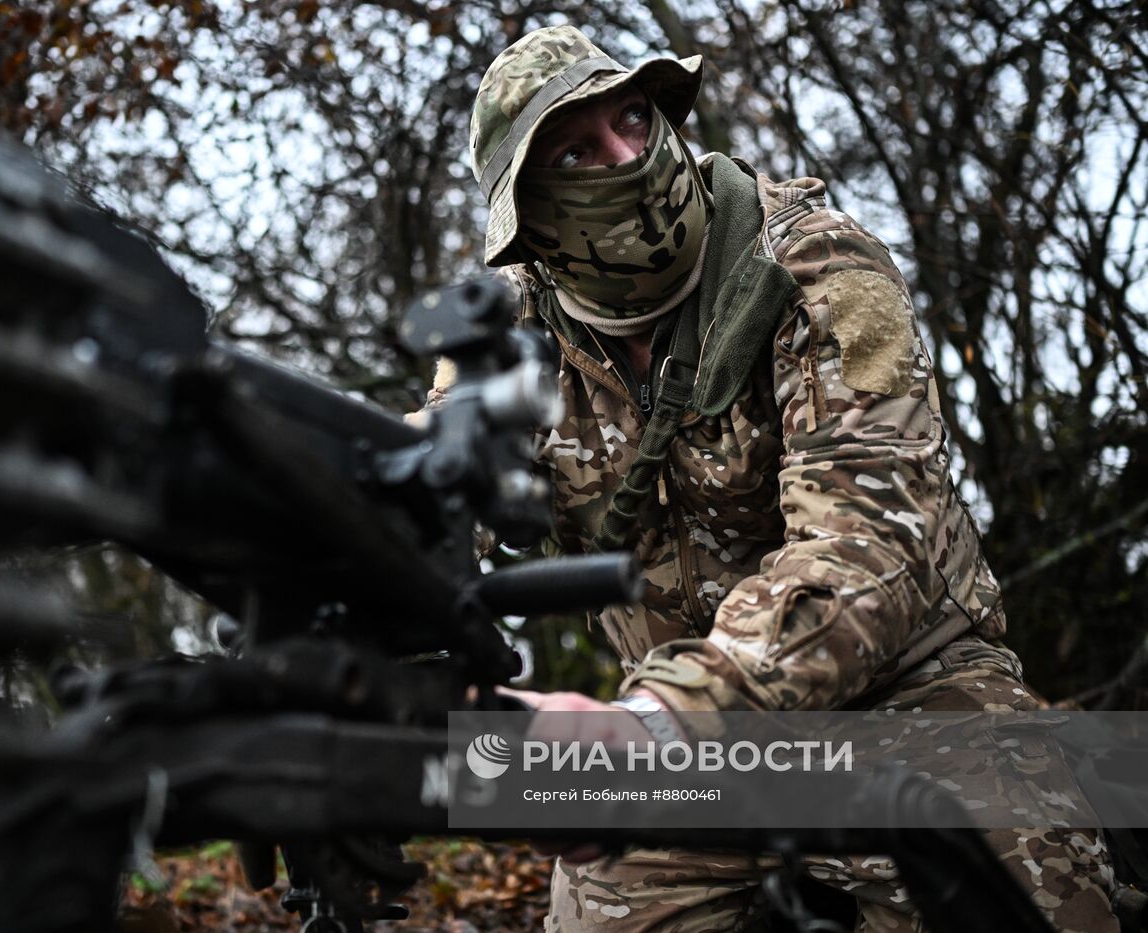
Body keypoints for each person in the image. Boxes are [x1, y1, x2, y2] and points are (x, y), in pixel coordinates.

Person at [425, 23, 1121, 932]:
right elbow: (426, 494)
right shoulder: (505, 338)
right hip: (676, 749)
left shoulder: (814, 265)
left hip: (909, 696)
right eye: (579, 149)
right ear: (533, 211)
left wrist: (650, 722)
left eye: (636, 117)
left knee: (1035, 901)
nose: (630, 153)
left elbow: (869, 546)